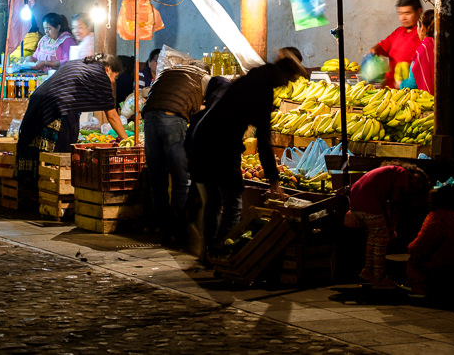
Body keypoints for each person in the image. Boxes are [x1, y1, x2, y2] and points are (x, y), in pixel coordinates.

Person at [188, 50, 307, 258]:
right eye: (289, 79)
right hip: (221, 144)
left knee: (214, 201)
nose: (287, 84)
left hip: (204, 139)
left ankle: (210, 250)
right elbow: (263, 139)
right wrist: (273, 178)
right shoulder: (262, 90)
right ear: (283, 75)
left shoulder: (254, 78)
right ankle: (223, 251)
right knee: (233, 201)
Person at [16, 54, 129, 198]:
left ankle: (35, 191)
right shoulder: (100, 74)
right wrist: (126, 140)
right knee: (60, 153)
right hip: (56, 109)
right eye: (115, 77)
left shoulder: (79, 63)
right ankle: (57, 194)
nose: (113, 81)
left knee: (38, 150)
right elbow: (112, 115)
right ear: (108, 69)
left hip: (39, 101)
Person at [141, 61, 211, 246]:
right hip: (172, 118)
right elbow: (207, 109)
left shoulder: (168, 72)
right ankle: (176, 231)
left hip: (149, 117)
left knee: (158, 178)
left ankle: (162, 228)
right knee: (182, 179)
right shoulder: (203, 77)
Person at [346, 161, 430, 289]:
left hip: (357, 201)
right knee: (381, 240)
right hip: (369, 202)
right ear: (412, 172)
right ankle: (379, 277)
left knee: (373, 237)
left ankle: (368, 270)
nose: (413, 183)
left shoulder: (391, 171)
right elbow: (395, 200)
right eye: (416, 180)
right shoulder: (402, 173)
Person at [405, 180, 454, 296]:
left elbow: (423, 243)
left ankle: (418, 288)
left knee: (413, 262)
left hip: (438, 261)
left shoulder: (437, 218)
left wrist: (412, 250)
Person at [369, 0, 423, 88]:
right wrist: (374, 52)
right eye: (400, 13)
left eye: (407, 13)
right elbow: (381, 47)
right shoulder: (398, 32)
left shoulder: (423, 35)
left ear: (419, 11)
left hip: (410, 91)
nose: (403, 18)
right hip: (390, 89)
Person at [400, 9, 435, 94]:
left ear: (422, 28)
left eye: (417, 26)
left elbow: (412, 86)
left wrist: (401, 84)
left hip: (428, 102)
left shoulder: (423, 51)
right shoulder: (447, 46)